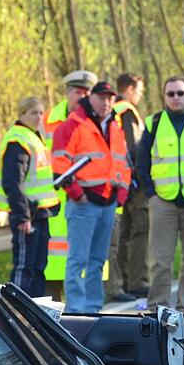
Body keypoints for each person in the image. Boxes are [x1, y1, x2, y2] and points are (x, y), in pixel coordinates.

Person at [51, 81, 131, 313]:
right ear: (91, 98)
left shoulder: (114, 127)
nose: (106, 102)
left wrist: (122, 192)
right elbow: (60, 164)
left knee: (97, 262)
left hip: (108, 203)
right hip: (84, 204)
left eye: (110, 98)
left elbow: (123, 163)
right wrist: (77, 193)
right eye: (102, 97)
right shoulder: (73, 125)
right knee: (78, 261)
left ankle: (93, 309)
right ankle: (77, 310)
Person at [136, 76, 184, 315]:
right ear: (164, 97)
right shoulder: (154, 122)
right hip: (163, 202)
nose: (176, 98)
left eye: (180, 93)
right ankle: (158, 308)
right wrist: (151, 194)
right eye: (171, 94)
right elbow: (141, 162)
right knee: (160, 261)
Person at [0, 96, 58, 297]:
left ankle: (35, 316)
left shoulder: (34, 137)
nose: (39, 117)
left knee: (37, 268)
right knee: (24, 268)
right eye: (33, 112)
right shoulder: (17, 140)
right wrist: (23, 216)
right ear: (21, 114)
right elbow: (12, 182)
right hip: (27, 215)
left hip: (40, 213)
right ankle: (15, 314)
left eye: (41, 112)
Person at [43, 69, 97, 296]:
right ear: (67, 93)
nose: (82, 97)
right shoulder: (47, 121)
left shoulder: (100, 122)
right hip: (52, 201)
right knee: (53, 266)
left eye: (87, 93)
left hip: (86, 201)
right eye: (78, 92)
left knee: (87, 266)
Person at [107, 72, 148, 302]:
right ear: (130, 89)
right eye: (140, 91)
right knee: (139, 231)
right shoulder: (128, 112)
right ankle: (137, 281)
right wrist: (138, 179)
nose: (140, 95)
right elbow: (133, 149)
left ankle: (122, 280)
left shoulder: (112, 110)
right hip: (133, 182)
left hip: (119, 182)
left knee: (123, 234)